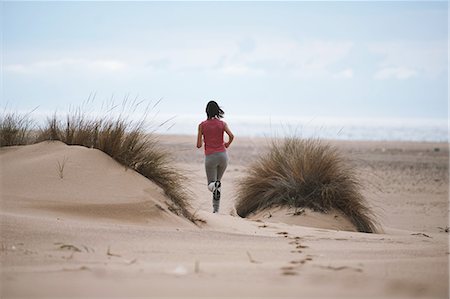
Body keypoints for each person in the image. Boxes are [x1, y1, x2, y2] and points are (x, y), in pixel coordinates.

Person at [197, 101, 234, 213]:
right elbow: (232, 136)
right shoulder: (222, 124)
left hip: (210, 157)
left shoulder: (202, 125)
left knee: (211, 185)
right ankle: (216, 210)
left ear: (206, 111)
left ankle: (214, 190)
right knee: (218, 183)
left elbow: (198, 145)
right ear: (218, 111)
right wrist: (227, 144)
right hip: (223, 156)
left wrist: (204, 139)